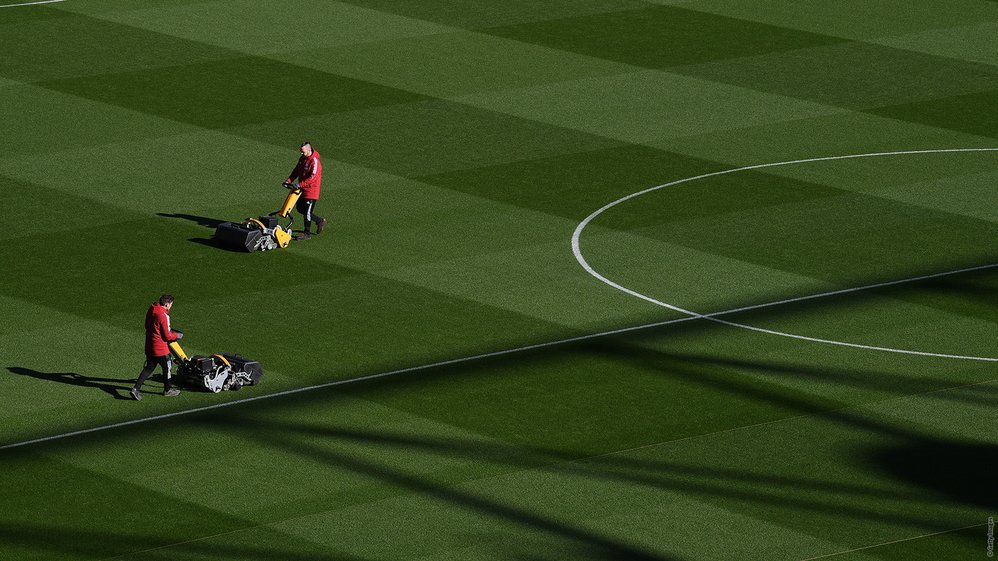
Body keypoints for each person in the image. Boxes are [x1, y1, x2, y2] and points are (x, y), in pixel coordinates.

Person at [130, 294, 182, 400]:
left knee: (149, 368)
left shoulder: (152, 308)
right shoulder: (164, 316)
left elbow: (147, 325)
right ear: (167, 304)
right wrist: (177, 335)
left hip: (149, 346)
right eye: (171, 304)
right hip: (161, 349)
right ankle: (168, 390)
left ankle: (136, 388)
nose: (171, 306)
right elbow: (167, 336)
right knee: (167, 367)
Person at [284, 141, 326, 240]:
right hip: (302, 189)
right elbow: (296, 170)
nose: (301, 153)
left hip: (312, 191)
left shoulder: (314, 161)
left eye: (303, 152)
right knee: (300, 208)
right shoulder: (303, 158)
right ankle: (319, 220)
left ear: (309, 150)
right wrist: (288, 180)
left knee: (307, 212)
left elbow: (313, 178)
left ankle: (306, 233)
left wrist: (299, 184)